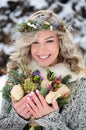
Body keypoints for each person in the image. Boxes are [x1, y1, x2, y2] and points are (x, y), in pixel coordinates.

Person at [0, 10, 86, 130]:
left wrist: (50, 118)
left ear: (60, 42)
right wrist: (17, 117)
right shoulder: (17, 77)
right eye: (35, 42)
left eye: (49, 41)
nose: (41, 50)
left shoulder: (79, 83)